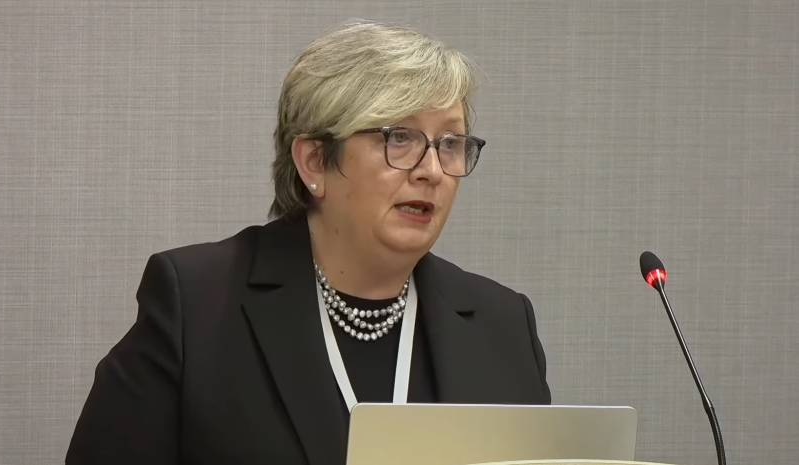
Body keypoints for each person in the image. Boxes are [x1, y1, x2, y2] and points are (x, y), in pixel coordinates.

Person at [66, 20, 551, 465]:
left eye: (450, 143)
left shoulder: (503, 323)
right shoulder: (195, 304)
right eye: (399, 137)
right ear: (315, 161)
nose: (431, 170)